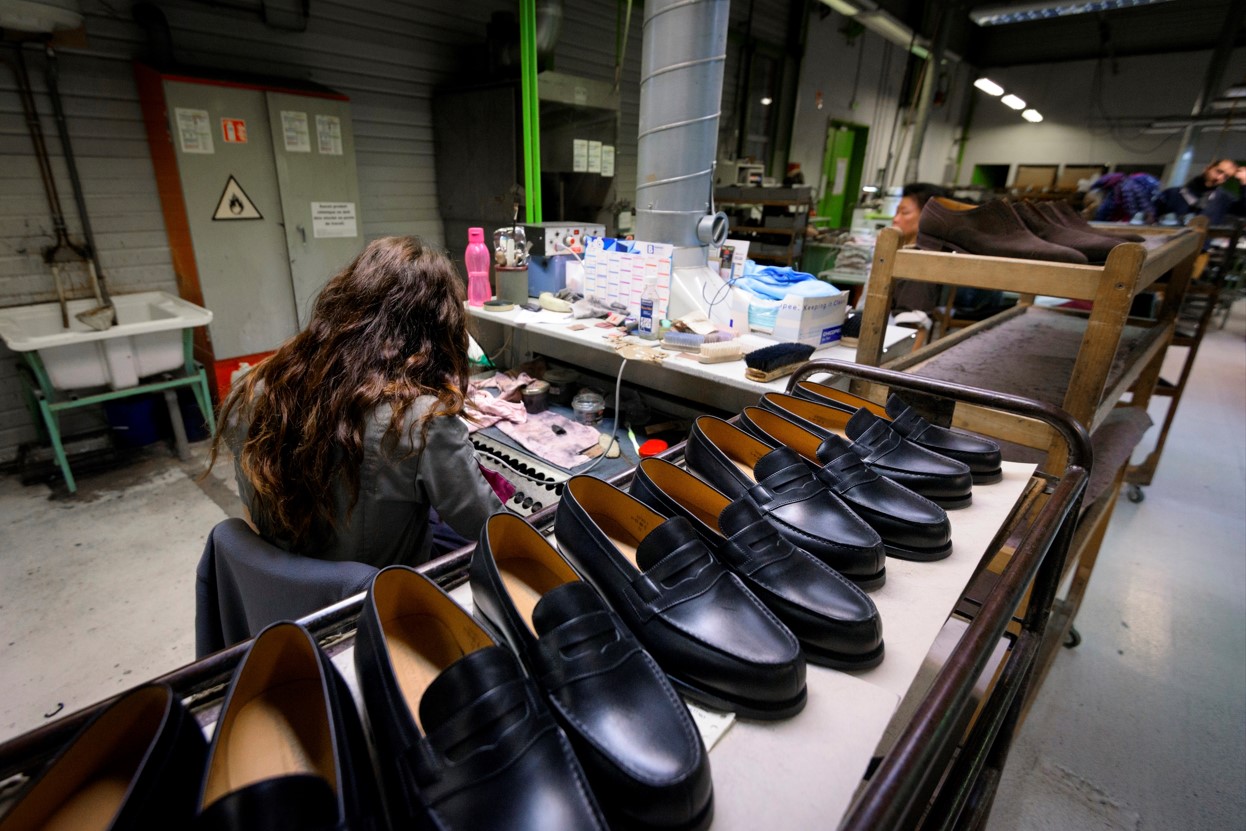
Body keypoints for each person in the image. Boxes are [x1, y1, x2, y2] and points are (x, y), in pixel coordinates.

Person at [209, 235, 504, 569]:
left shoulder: (255, 388)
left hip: (285, 587)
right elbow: (487, 525)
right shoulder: (423, 421)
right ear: (435, 333)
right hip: (376, 591)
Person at [889, 182, 948, 313]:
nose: (896, 219)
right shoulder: (904, 252)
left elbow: (911, 319)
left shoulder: (920, 262)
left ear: (928, 217)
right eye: (896, 212)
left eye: (904, 212)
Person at [1154, 159, 1239, 224]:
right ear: (1207, 168)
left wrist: (1244, 183)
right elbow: (1152, 218)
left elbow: (1242, 211)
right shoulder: (1172, 194)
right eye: (1218, 171)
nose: (1219, 178)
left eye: (1226, 177)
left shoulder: (1224, 199)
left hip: (1203, 242)